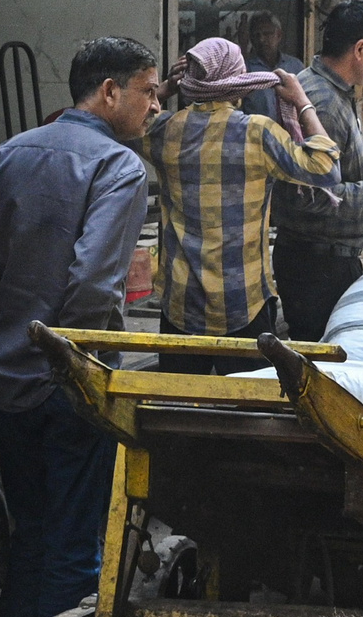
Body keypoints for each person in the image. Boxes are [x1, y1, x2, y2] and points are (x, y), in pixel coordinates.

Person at [0, 37, 160, 617]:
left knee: (30, 539)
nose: (153, 107)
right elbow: (93, 283)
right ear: (110, 91)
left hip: (11, 381)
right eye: (146, 92)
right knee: (74, 545)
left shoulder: (7, 156)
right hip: (74, 384)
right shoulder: (118, 166)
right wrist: (76, 375)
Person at [145, 35, 339, 371]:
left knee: (180, 406)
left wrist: (166, 88)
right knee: (245, 409)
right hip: (243, 304)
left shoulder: (164, 131)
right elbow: (326, 167)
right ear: (238, 84)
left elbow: (131, 122)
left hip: (180, 305)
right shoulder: (257, 133)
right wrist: (303, 103)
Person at [275, 0, 363, 340]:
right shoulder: (321, 102)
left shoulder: (335, 93)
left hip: (327, 260)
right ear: (361, 49)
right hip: (316, 266)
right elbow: (307, 196)